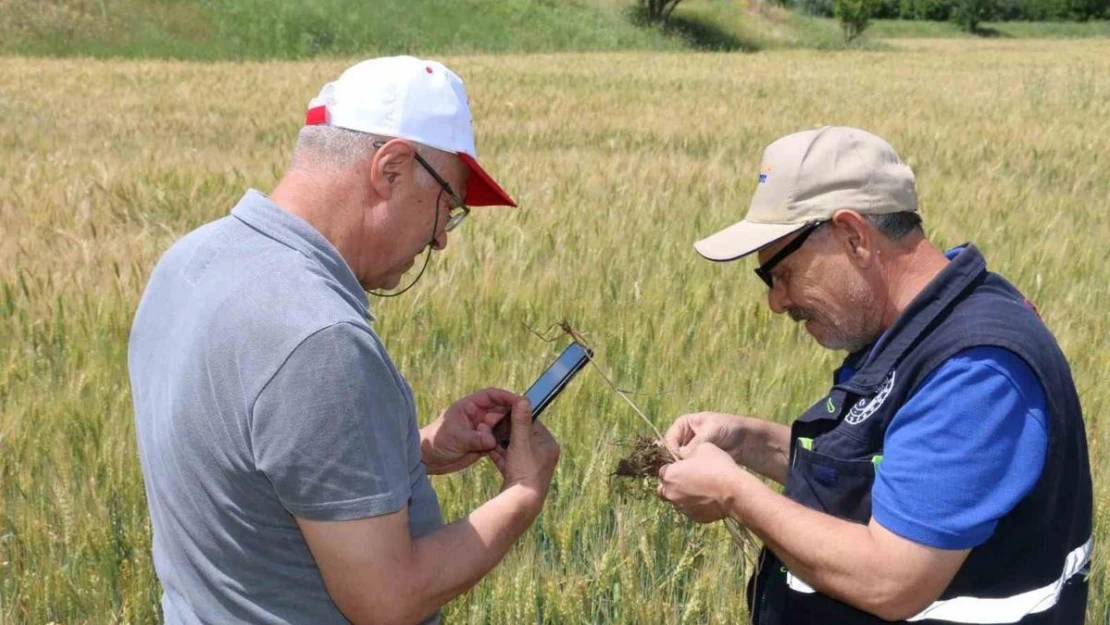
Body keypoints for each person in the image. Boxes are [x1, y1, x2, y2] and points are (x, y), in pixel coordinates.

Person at [128, 56, 560, 625]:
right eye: (447, 208)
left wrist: (419, 447)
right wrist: (525, 491)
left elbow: (260, 464)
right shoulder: (319, 339)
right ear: (392, 168)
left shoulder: (190, 259)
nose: (439, 241)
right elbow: (387, 599)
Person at [657, 126, 1092, 625]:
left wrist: (733, 492)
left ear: (854, 237)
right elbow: (901, 473)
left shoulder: (977, 369)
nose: (777, 302)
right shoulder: (923, 327)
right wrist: (750, 443)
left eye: (781, 273)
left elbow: (891, 580)